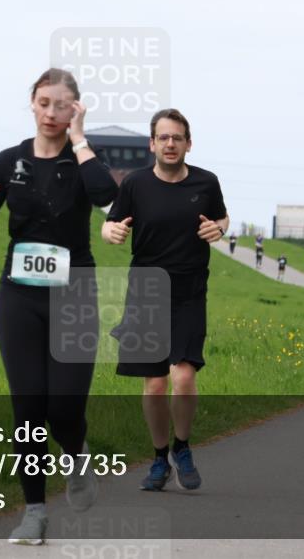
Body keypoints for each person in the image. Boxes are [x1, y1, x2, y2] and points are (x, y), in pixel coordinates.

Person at [0, 68, 118, 545]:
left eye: (62, 105)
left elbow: (107, 197)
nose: (51, 113)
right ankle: (34, 513)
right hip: (19, 296)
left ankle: (76, 452)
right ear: (31, 102)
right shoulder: (8, 161)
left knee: (64, 407)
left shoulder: (85, 159)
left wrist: (80, 140)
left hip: (75, 295)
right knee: (28, 407)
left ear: (75, 109)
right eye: (44, 103)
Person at [102, 108, 228, 493]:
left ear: (189, 144)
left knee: (184, 375)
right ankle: (159, 458)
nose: (170, 144)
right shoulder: (135, 184)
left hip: (189, 291)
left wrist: (218, 229)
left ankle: (182, 447)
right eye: (164, 137)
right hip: (145, 292)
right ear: (152, 144)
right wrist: (111, 232)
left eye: (177, 138)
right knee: (155, 385)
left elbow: (222, 219)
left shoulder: (206, 182)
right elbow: (111, 222)